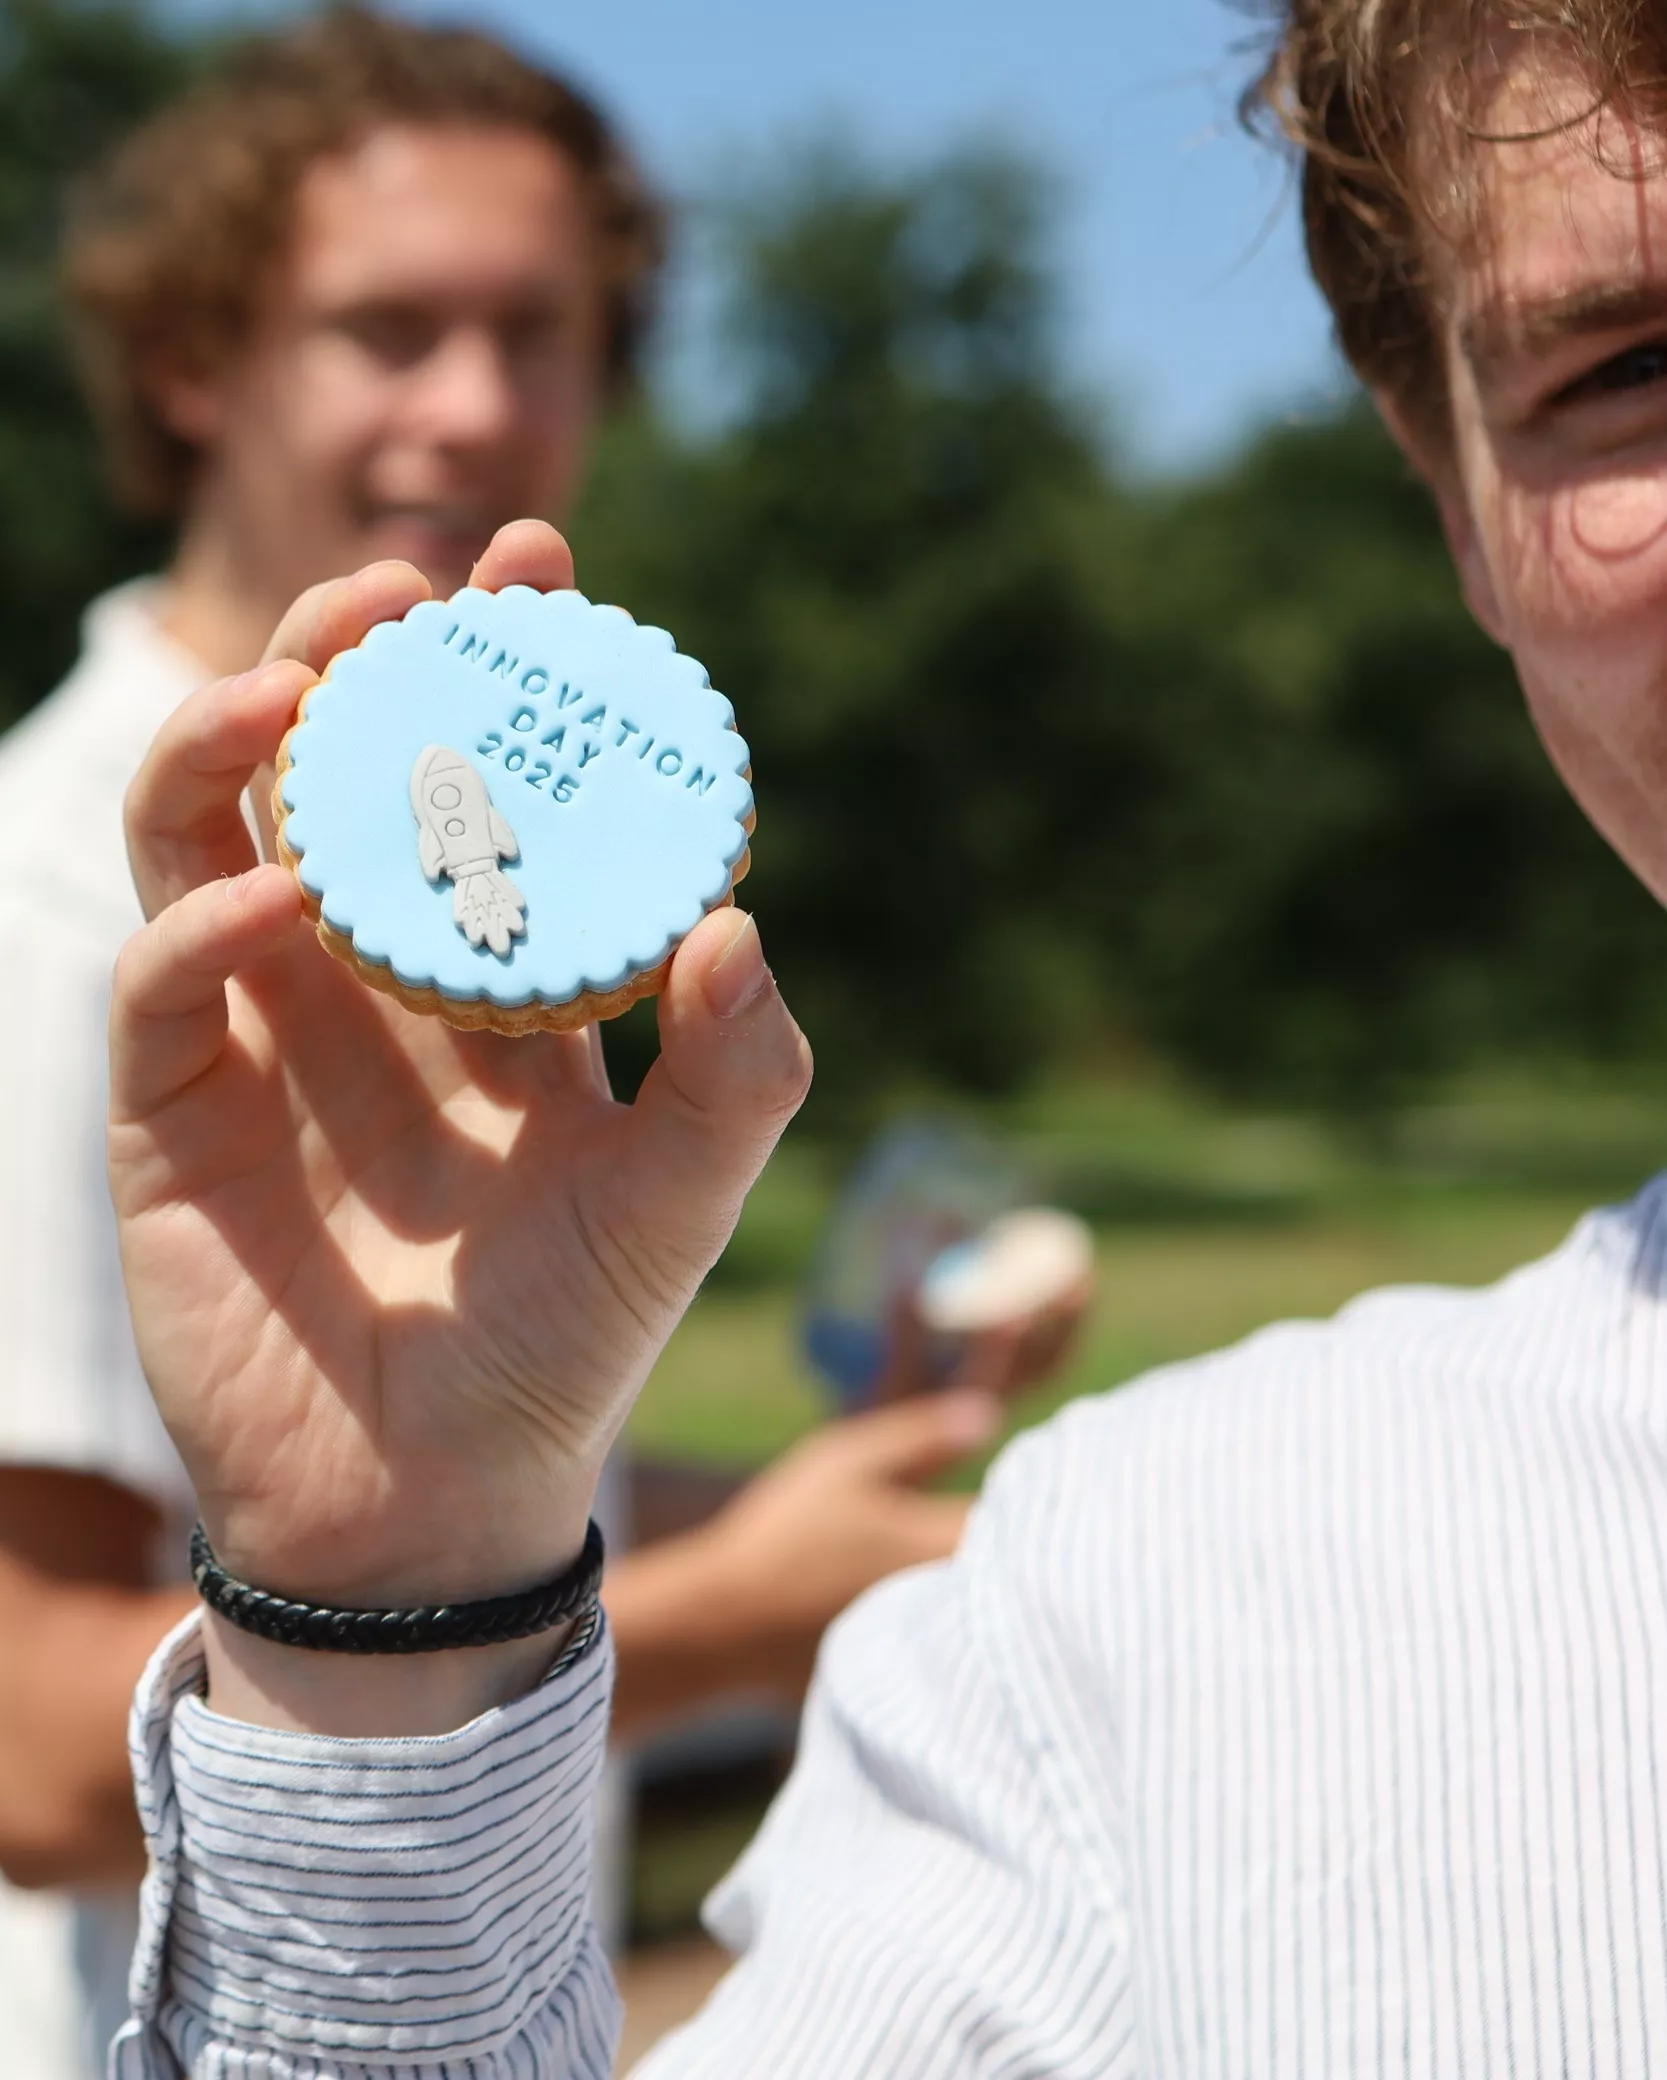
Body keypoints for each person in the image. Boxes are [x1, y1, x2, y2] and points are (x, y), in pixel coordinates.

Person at [98, 2, 1667, 2075]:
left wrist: (658, 1526)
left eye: (539, 329)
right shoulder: (1144, 1607)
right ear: (1449, 498)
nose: (474, 405)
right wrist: (386, 1612)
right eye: (1623, 365)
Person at [0, 14, 1032, 2076]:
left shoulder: (501, 875)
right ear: (197, 362)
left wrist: (790, 1501)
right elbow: (24, 1732)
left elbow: (372, 1427)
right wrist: (734, 1612)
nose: (474, 402)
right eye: (385, 327)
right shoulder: (60, 890)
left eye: (538, 328)